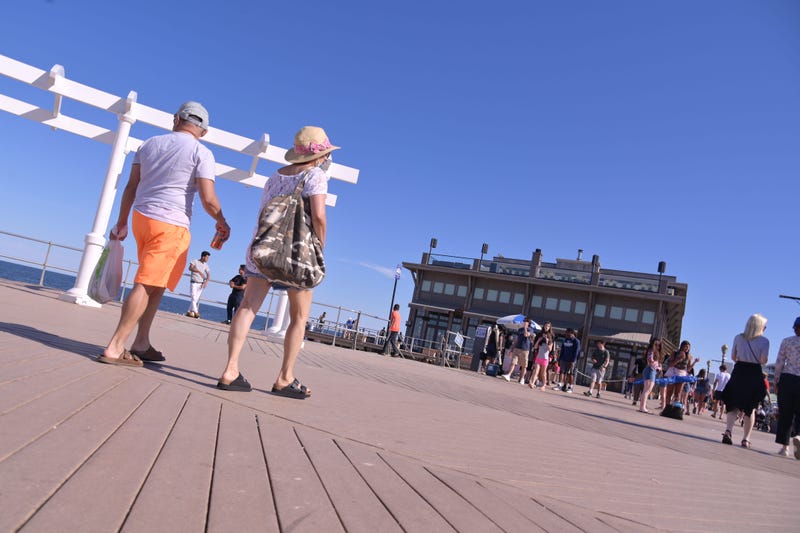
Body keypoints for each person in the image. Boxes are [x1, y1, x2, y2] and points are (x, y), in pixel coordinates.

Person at [98, 101, 229, 367]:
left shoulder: (148, 144)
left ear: (177, 119)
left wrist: (122, 221)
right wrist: (221, 221)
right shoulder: (201, 153)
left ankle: (141, 343)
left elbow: (131, 186)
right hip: (171, 224)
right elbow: (208, 198)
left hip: (141, 219)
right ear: (203, 131)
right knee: (147, 282)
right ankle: (115, 346)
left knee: (156, 282)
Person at [216, 125, 337, 396]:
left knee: (247, 307)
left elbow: (264, 214)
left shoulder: (274, 177)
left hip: (263, 251)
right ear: (320, 156)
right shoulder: (315, 175)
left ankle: (230, 369)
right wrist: (320, 246)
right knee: (299, 316)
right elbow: (318, 216)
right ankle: (284, 378)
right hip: (297, 255)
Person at [721, 314, 769, 448]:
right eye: (764, 326)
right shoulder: (764, 341)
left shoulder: (738, 337)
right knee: (750, 407)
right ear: (760, 326)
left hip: (739, 371)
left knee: (732, 404)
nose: (765, 328)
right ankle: (746, 439)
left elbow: (733, 356)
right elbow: (763, 360)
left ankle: (728, 431)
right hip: (754, 373)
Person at [774, 317, 800, 459]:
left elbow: (779, 362)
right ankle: (799, 436)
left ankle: (785, 448)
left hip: (788, 379)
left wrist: (776, 380)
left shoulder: (787, 341)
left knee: (786, 414)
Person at [501, 318, 532, 384]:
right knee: (513, 362)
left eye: (526, 322)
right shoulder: (520, 330)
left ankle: (522, 378)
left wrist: (525, 328)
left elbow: (526, 335)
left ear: (528, 323)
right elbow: (516, 340)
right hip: (517, 348)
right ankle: (508, 375)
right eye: (524, 322)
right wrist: (512, 349)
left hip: (525, 350)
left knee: (524, 366)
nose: (524, 323)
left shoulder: (530, 330)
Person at [639, 337, 662, 413]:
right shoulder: (651, 350)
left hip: (651, 370)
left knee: (646, 390)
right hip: (650, 370)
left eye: (659, 345)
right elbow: (650, 360)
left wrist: (658, 366)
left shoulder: (653, 351)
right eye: (656, 344)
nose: (658, 346)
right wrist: (657, 367)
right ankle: (642, 407)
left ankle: (642, 406)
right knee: (647, 390)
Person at [186, 251, 211, 318]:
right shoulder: (195, 261)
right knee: (193, 297)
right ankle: (196, 312)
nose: (208, 259)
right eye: (207, 257)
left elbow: (208, 275)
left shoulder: (206, 265)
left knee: (195, 299)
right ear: (203, 256)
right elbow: (190, 268)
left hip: (201, 284)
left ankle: (189, 312)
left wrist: (206, 282)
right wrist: (199, 271)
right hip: (194, 282)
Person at [555, 328, 580, 392]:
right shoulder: (565, 340)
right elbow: (562, 350)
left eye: (567, 333)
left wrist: (573, 361)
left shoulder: (576, 341)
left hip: (571, 360)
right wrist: (560, 359)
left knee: (570, 374)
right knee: (562, 372)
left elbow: (576, 352)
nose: (566, 334)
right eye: (566, 333)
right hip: (564, 359)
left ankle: (570, 387)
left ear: (572, 333)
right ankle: (560, 385)